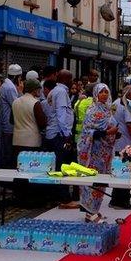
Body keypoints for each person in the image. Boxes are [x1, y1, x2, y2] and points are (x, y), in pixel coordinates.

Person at [77, 84, 118, 221]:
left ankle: (95, 209)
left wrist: (114, 134)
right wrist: (108, 132)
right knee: (92, 181)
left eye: (107, 92)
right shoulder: (92, 110)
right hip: (92, 153)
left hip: (104, 152)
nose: (105, 95)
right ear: (96, 94)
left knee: (101, 181)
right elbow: (89, 132)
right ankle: (89, 212)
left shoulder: (107, 110)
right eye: (101, 92)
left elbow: (111, 127)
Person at [11, 78, 48, 208]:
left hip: (17, 140)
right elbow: (42, 123)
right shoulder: (35, 103)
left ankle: (19, 197)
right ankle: (31, 199)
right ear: (34, 89)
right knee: (32, 170)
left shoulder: (15, 102)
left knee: (20, 170)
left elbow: (11, 120)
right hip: (32, 140)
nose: (40, 91)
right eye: (39, 89)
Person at [45, 70, 77, 208]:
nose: (72, 82)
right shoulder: (62, 92)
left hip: (53, 133)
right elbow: (61, 114)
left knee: (57, 166)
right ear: (65, 79)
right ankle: (64, 199)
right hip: (59, 134)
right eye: (71, 79)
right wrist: (67, 134)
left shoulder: (54, 91)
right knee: (61, 167)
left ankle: (57, 197)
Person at [109, 85, 131, 209]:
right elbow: (130, 125)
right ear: (129, 95)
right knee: (124, 173)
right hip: (126, 144)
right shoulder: (126, 104)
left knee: (118, 172)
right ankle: (121, 201)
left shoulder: (115, 103)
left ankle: (114, 199)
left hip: (117, 143)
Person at [0, 64, 22, 169]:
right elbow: (17, 105)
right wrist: (20, 91)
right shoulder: (10, 88)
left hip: (7, 124)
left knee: (7, 153)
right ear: (17, 77)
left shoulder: (6, 85)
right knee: (9, 154)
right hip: (9, 126)